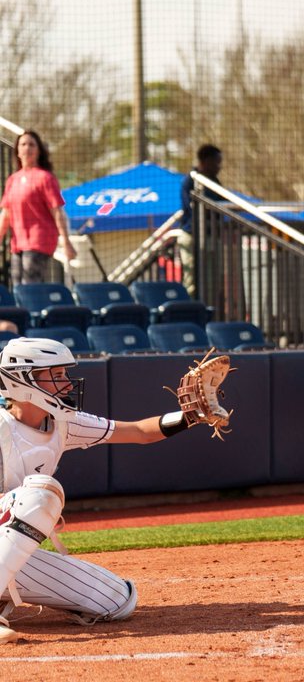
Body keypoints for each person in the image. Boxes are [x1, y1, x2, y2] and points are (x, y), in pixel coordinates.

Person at [0, 337, 228, 642]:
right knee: (42, 493)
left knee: (118, 601)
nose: (67, 384)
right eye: (56, 376)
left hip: (8, 549)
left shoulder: (62, 423)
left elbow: (138, 432)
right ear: (22, 380)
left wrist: (191, 416)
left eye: (65, 375)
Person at [0, 131, 76, 286]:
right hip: (18, 244)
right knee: (16, 285)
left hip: (39, 241)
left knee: (30, 284)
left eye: (31, 144)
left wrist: (66, 242)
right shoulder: (12, 180)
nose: (27, 148)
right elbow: (5, 214)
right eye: (23, 144)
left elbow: (57, 211)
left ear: (38, 150)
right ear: (17, 150)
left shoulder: (45, 178)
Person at [178, 144, 223, 297]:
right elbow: (191, 211)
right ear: (206, 161)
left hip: (210, 238)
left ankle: (208, 313)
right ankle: (190, 313)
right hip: (191, 236)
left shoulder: (215, 183)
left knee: (211, 283)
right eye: (216, 162)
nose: (219, 166)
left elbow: (221, 209)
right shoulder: (190, 181)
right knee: (191, 281)